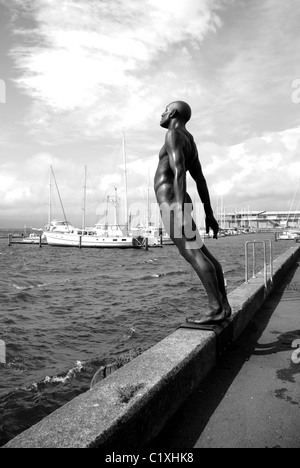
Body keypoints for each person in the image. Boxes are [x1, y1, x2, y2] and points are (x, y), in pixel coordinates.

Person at [154, 100, 231, 324]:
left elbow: (179, 172)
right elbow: (200, 179)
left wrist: (177, 208)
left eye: (165, 110)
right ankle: (224, 307)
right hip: (179, 199)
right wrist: (209, 213)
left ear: (174, 113)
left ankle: (215, 307)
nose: (161, 114)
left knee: (192, 253)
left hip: (171, 200)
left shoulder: (173, 135)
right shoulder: (190, 140)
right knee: (200, 250)